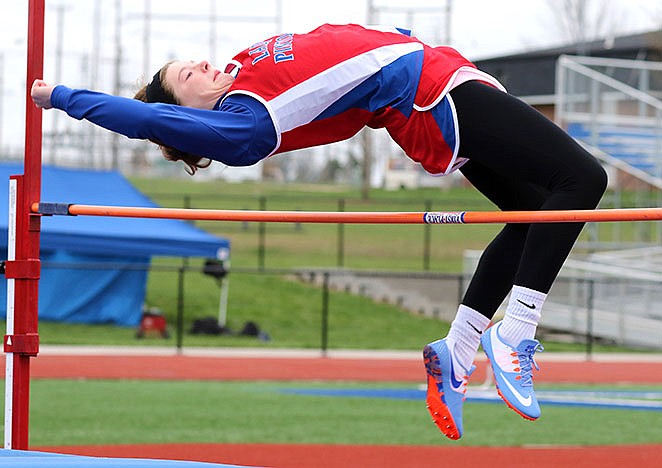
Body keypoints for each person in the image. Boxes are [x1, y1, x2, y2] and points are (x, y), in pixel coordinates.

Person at [31, 23, 607, 440]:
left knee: (533, 213)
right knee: (583, 179)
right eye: (189, 75)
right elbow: (152, 120)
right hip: (432, 92)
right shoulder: (244, 126)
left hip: (421, 88)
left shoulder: (238, 74)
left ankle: (457, 351)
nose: (204, 64)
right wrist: (65, 99)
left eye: (194, 61)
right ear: (189, 110)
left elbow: (332, 71)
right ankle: (515, 333)